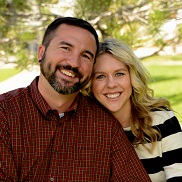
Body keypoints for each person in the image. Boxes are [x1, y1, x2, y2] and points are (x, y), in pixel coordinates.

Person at [0, 17, 151, 181]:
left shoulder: (106, 127)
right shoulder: (5, 114)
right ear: (41, 53)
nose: (74, 63)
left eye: (86, 56)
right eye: (65, 48)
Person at [83, 38, 182, 181]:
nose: (111, 84)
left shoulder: (161, 120)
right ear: (90, 84)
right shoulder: (85, 128)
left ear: (132, 77)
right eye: (100, 76)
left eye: (119, 74)